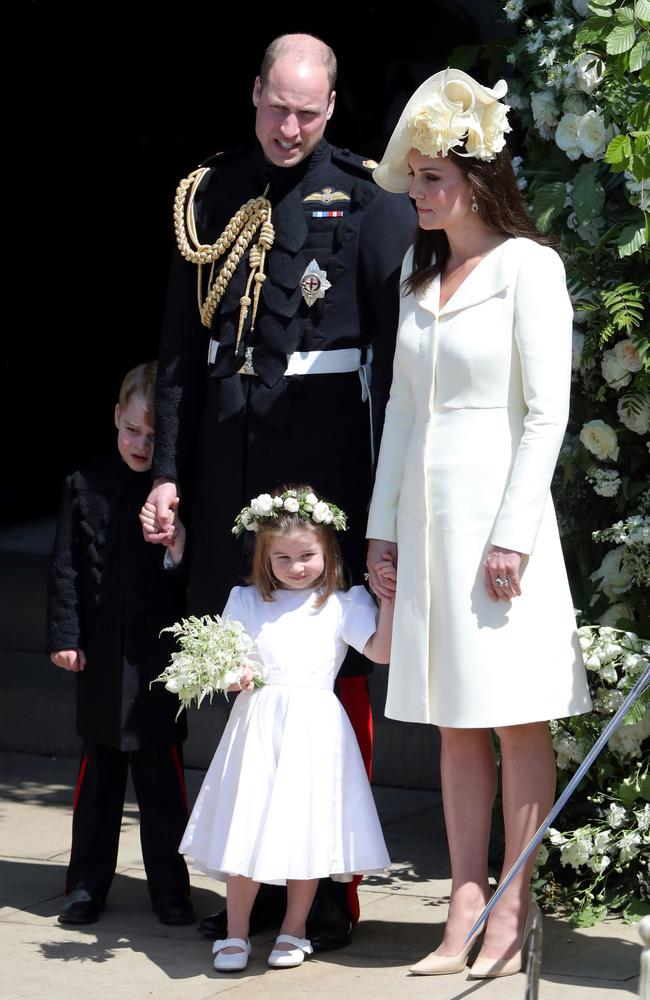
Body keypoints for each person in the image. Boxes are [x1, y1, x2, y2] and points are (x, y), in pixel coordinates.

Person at [145, 32, 415, 947]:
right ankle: (248, 880)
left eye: (307, 111)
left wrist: (389, 500)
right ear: (254, 92)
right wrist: (172, 471)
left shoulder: (372, 201)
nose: (289, 125)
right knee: (237, 665)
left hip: (325, 457)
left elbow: (400, 357)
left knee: (328, 673)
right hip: (229, 460)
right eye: (276, 105)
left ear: (332, 108)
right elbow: (182, 352)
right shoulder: (210, 192)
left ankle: (330, 884)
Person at [365, 69, 593, 979]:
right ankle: (462, 904)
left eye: (431, 177)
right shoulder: (420, 279)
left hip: (501, 529)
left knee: (512, 721)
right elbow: (403, 417)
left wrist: (514, 534)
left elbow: (546, 411)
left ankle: (512, 906)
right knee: (457, 723)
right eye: (413, 176)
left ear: (477, 177)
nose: (417, 193)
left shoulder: (528, 267)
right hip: (428, 528)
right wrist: (383, 534)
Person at [177, 485, 394, 972]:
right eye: (283, 557)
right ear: (264, 556)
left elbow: (381, 651)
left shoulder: (342, 603)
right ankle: (236, 932)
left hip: (315, 729)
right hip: (258, 727)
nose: (296, 566)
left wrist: (390, 600)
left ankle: (293, 928)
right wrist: (235, 675)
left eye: (307, 555)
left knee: (305, 829)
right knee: (245, 824)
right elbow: (227, 662)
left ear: (327, 551)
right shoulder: (246, 601)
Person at [47, 361, 195, 927]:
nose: (140, 443)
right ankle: (85, 885)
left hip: (158, 659)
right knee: (100, 780)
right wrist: (66, 637)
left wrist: (178, 545)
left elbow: (189, 576)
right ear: (115, 417)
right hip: (103, 659)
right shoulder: (83, 486)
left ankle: (170, 888)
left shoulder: (177, 497)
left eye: (154, 436)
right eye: (132, 429)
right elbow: (66, 569)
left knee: (162, 781)